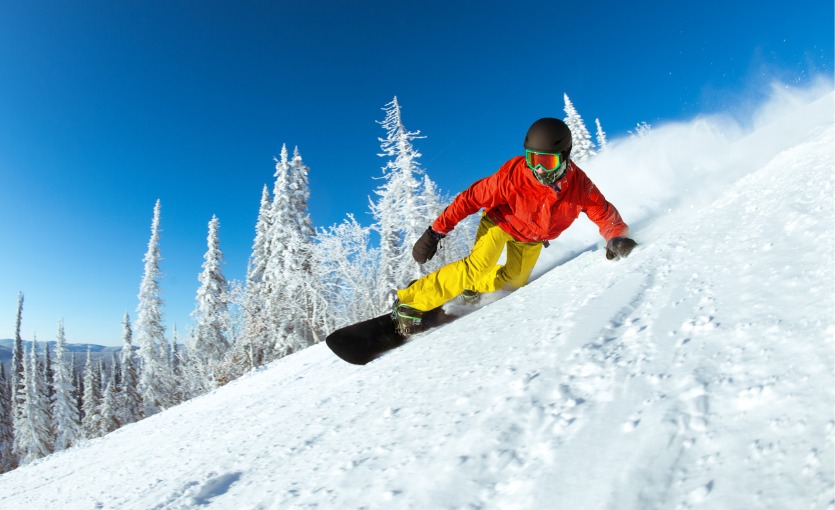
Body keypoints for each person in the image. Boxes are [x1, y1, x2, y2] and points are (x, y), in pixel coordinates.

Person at [391, 117, 637, 336]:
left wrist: (615, 237)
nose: (539, 169)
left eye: (547, 162)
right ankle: (410, 301)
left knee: (514, 282)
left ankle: (472, 288)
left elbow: (603, 213)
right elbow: (470, 199)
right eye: (533, 159)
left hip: (532, 238)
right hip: (501, 223)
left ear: (564, 156)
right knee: (478, 265)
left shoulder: (580, 186)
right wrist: (435, 232)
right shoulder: (513, 177)